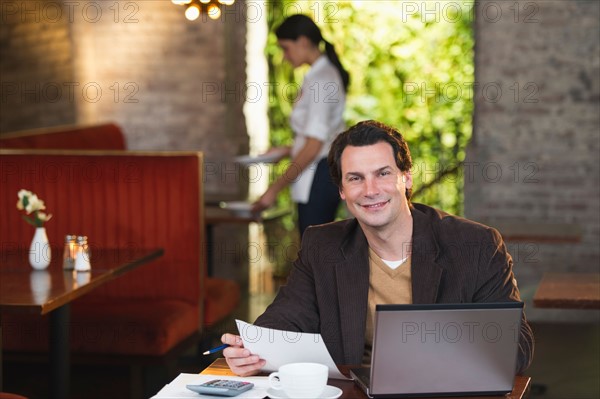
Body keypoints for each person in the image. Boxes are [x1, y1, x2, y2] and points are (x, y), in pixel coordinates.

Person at [224, 120, 534, 376]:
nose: (370, 190)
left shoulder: (476, 246)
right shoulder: (323, 246)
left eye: (383, 174)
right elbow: (284, 321)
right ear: (343, 192)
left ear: (406, 178)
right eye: (356, 178)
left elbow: (516, 347)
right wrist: (253, 350)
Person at [251, 14, 349, 236]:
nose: (284, 57)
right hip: (318, 173)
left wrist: (273, 190)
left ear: (303, 42)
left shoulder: (321, 80)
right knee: (315, 251)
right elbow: (317, 137)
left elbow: (315, 146)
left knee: (315, 252)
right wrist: (286, 150)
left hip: (320, 174)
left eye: (285, 48)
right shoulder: (318, 76)